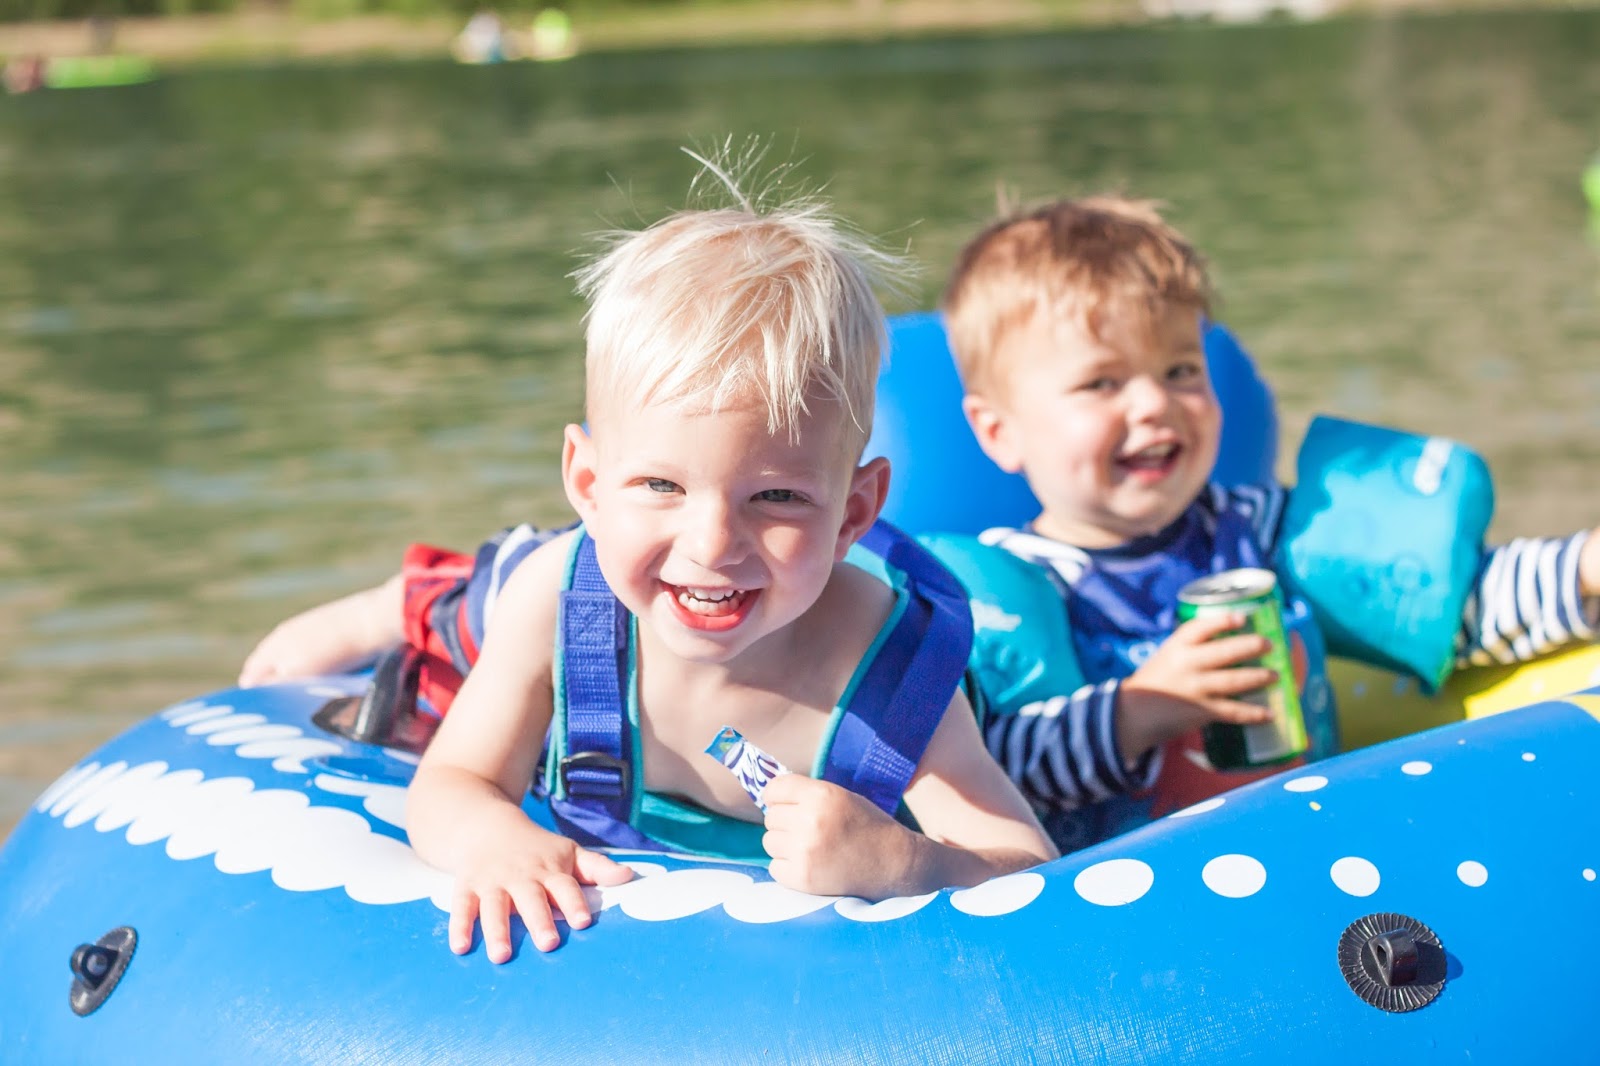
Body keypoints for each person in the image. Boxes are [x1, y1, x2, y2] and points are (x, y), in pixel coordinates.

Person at [241, 169, 1057, 961]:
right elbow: (452, 783)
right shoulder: (554, 607)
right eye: (662, 483)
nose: (711, 543)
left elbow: (1029, 864)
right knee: (476, 609)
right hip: (567, 596)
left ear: (853, 512)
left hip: (640, 576)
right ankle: (403, 598)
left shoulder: (891, 674)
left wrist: (909, 864)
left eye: (774, 498)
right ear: (588, 483)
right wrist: (499, 841)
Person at [935, 195, 1600, 850]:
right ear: (999, 432)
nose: (1154, 403)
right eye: (1102, 383)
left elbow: (1445, 608)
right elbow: (987, 774)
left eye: (1181, 370)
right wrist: (1138, 709)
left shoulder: (1260, 532)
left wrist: (1582, 570)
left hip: (1308, 859)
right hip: (1139, 900)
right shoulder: (999, 598)